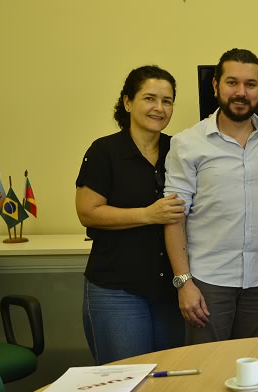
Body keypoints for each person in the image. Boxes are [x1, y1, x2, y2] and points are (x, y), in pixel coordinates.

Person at [163, 49, 258, 344]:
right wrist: (184, 283)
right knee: (207, 374)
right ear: (216, 85)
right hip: (208, 282)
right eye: (232, 83)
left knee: (257, 369)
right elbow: (174, 217)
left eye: (250, 84)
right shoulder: (187, 144)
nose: (241, 93)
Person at [75, 65, 185, 364]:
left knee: (170, 380)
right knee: (127, 382)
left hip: (169, 292)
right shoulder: (104, 151)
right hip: (117, 290)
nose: (159, 108)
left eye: (167, 100)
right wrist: (148, 215)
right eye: (150, 98)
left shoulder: (180, 150)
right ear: (127, 102)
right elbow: (88, 212)